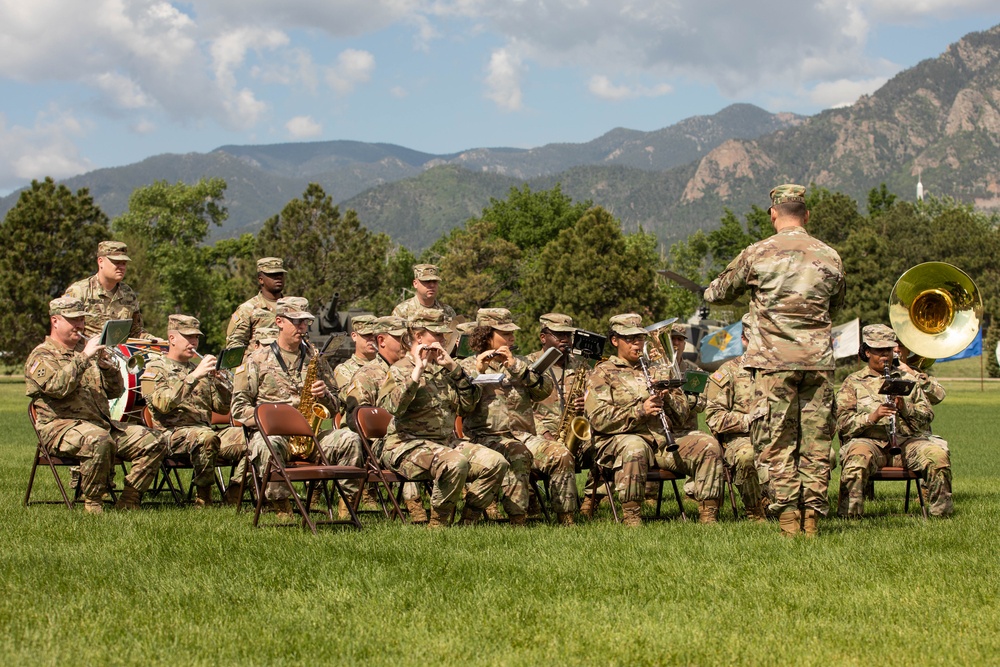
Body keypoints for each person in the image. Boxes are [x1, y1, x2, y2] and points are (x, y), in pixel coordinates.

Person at [704, 183, 845, 537]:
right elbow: (836, 303)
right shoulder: (830, 255)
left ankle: (787, 523)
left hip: (773, 363)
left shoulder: (757, 253)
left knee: (776, 444)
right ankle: (811, 521)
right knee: (816, 445)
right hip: (818, 363)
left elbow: (717, 293)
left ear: (773, 214)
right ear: (806, 214)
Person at [25, 297, 168, 513]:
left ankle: (129, 499)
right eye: (73, 320)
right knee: (98, 439)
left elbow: (115, 392)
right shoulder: (41, 355)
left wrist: (107, 368)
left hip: (100, 424)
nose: (80, 325)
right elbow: (56, 387)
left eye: (82, 320)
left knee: (154, 440)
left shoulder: (87, 352)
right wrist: (84, 358)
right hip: (60, 427)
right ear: (55, 321)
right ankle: (93, 503)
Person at [230, 297, 364, 519]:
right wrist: (274, 419)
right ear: (280, 321)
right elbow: (238, 409)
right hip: (275, 436)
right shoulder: (255, 360)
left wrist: (325, 395)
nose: (302, 327)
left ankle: (347, 505)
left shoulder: (315, 358)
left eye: (305, 322)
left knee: (350, 439)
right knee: (267, 444)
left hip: (311, 436)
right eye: (296, 321)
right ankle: (282, 505)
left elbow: (335, 406)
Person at [585, 313, 724, 526]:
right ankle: (632, 517)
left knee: (708, 445)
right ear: (615, 341)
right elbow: (599, 419)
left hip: (662, 442)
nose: (636, 344)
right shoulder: (602, 373)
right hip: (621, 440)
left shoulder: (658, 369)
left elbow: (682, 415)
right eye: (630, 339)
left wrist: (668, 395)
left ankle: (709, 515)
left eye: (640, 338)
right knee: (635, 446)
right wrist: (640, 411)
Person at [377, 308, 507, 527]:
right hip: (405, 445)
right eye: (436, 334)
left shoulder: (445, 370)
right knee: (454, 463)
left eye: (443, 334)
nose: (443, 339)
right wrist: (417, 372)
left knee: (496, 463)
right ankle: (439, 523)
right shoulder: (400, 369)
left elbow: (467, 405)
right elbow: (393, 408)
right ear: (419, 336)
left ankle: (468, 520)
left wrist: (455, 369)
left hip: (444, 443)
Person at [461, 309, 577, 525]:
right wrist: (478, 373)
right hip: (485, 438)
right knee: (517, 453)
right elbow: (462, 406)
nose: (512, 337)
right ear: (487, 335)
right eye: (505, 333)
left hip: (523, 435)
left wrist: (516, 368)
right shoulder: (466, 366)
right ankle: (518, 520)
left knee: (561, 454)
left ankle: (567, 518)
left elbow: (543, 391)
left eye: (512, 332)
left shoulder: (521, 362)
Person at [835, 324, 953, 518]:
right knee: (856, 460)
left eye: (888, 350)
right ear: (866, 352)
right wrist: (872, 417)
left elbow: (927, 416)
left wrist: (905, 408)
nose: (885, 355)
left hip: (908, 443)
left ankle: (942, 517)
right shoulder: (853, 382)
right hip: (870, 443)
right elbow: (842, 423)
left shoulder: (908, 379)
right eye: (879, 350)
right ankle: (850, 518)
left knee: (937, 457)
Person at [140, 314, 247, 507]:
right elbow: (162, 405)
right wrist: (194, 376)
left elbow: (222, 408)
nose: (194, 342)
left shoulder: (199, 370)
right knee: (205, 436)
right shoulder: (153, 369)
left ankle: (235, 491)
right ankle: (203, 497)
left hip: (205, 435)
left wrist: (221, 383)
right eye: (188, 337)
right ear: (172, 338)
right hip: (170, 435)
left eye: (196, 337)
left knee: (254, 437)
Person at [342, 316, 428, 522]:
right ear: (381, 341)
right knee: (407, 446)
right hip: (376, 444)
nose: (407, 344)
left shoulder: (415, 370)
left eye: (409, 338)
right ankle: (416, 509)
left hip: (413, 435)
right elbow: (355, 419)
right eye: (400, 339)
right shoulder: (367, 375)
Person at [527, 313, 599, 515]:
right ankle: (535, 502)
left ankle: (590, 500)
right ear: (543, 337)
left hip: (574, 432)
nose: (565, 340)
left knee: (603, 449)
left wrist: (586, 404)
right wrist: (544, 434)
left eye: (568, 335)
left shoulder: (581, 365)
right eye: (559, 335)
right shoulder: (529, 365)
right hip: (539, 435)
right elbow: (520, 408)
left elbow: (594, 397)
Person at [704, 319, 766, 521]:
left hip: (778, 434)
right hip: (741, 438)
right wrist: (748, 419)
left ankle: (797, 509)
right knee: (748, 455)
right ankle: (755, 511)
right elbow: (714, 417)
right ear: (744, 340)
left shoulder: (780, 373)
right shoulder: (728, 372)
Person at [63, 241, 155, 339]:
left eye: (124, 263)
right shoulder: (80, 291)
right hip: (86, 352)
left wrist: (155, 341)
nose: (121, 267)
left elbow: (135, 331)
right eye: (116, 262)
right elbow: (65, 331)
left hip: (119, 352)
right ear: (100, 261)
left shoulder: (128, 294)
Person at [225, 257, 288, 356]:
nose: (278, 277)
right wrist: (254, 363)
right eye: (273, 275)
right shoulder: (247, 309)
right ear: (261, 279)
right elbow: (234, 345)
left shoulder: (292, 307)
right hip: (259, 369)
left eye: (280, 274)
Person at [333, 314, 378, 403]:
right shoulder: (344, 369)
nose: (372, 339)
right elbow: (353, 397)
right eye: (367, 335)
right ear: (354, 336)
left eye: (375, 335)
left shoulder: (386, 365)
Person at [391, 264, 457, 321]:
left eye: (435, 281)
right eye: (427, 281)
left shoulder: (447, 311)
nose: (432, 285)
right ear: (415, 284)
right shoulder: (402, 311)